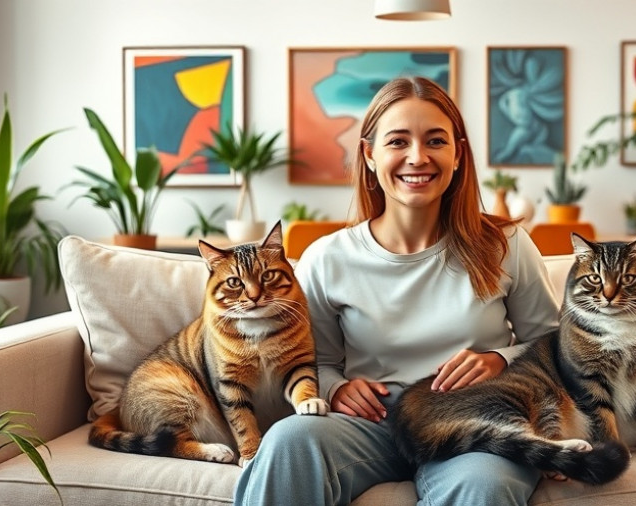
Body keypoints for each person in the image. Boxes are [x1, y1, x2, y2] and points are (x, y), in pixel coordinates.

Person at [233, 76, 560, 505]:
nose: (417, 157)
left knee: (485, 484)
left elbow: (556, 345)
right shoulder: (326, 258)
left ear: (458, 154)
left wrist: (500, 359)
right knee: (291, 439)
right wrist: (334, 388)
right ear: (369, 155)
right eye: (398, 142)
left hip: (475, 421)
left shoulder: (506, 244)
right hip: (370, 425)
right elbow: (316, 361)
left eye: (436, 141)